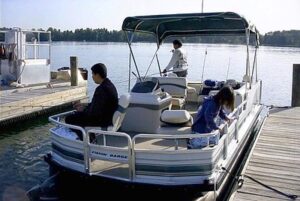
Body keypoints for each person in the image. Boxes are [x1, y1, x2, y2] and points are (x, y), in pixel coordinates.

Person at [65, 63, 118, 140]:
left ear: (98, 75)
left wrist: (82, 110)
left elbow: (94, 113)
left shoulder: (101, 90)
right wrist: (84, 106)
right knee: (77, 114)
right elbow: (98, 105)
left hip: (103, 120)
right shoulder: (110, 85)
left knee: (69, 118)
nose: (92, 77)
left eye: (93, 74)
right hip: (108, 117)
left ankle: (87, 139)